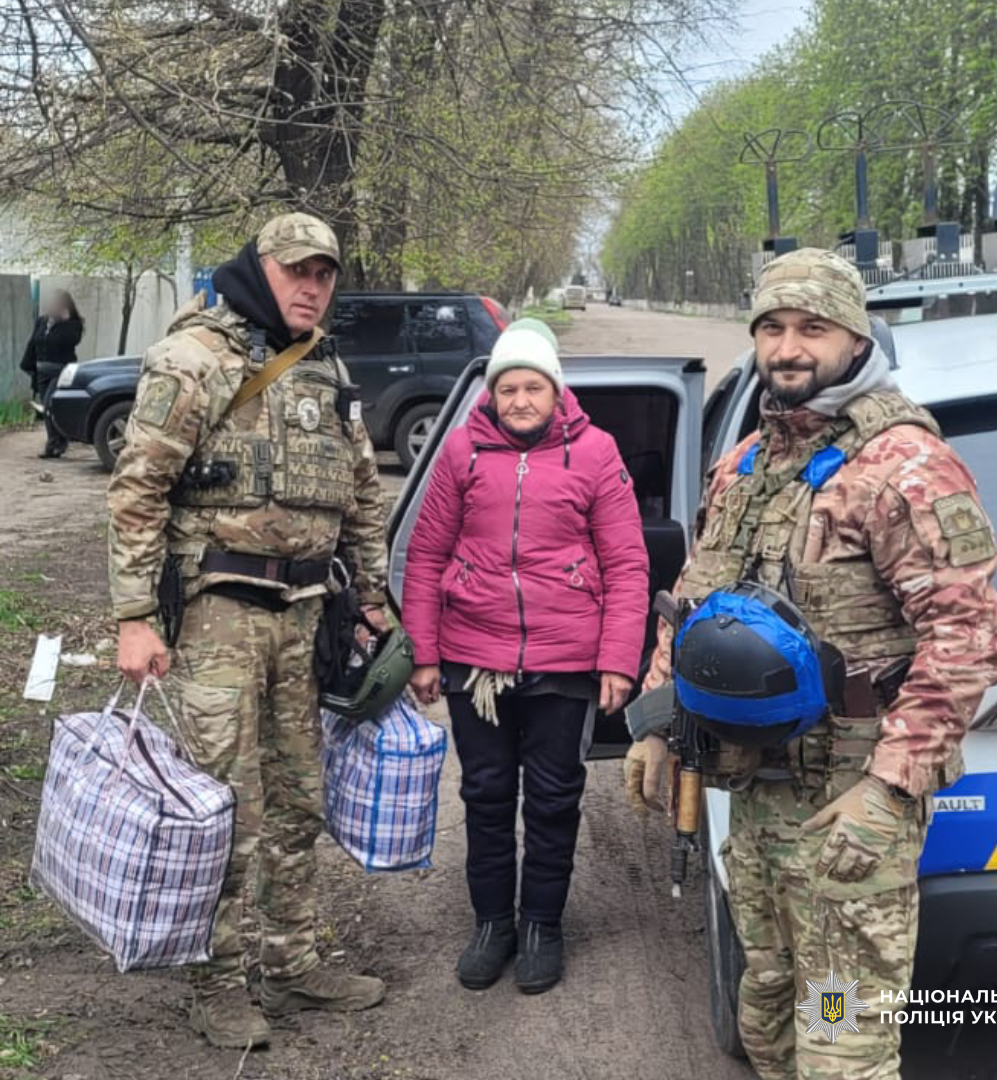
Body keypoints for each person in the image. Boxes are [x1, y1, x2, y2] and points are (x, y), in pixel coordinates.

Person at [625, 248, 997, 1079]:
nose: (788, 347)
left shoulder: (901, 466)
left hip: (848, 808)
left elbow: (968, 636)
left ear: (854, 337)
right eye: (772, 327)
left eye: (812, 328)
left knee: (840, 1040)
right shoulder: (747, 464)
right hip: (755, 796)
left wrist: (889, 788)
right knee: (767, 1013)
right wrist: (656, 723)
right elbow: (692, 601)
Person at [107, 212, 390, 1050]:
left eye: (324, 273)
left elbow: (361, 491)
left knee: (299, 799)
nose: (312, 287)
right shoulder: (192, 359)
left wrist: (374, 597)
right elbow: (138, 490)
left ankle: (292, 959)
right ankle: (218, 981)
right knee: (225, 808)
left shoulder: (327, 367)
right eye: (297, 270)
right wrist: (134, 617)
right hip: (218, 616)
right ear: (258, 268)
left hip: (305, 617)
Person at [403, 320, 649, 994]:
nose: (519, 400)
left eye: (532, 387)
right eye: (507, 388)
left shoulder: (595, 452)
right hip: (473, 659)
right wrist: (424, 652)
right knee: (485, 796)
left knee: (552, 798)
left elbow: (627, 564)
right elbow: (425, 556)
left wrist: (617, 659)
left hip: (565, 662)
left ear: (555, 391)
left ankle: (541, 923)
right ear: (491, 393)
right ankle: (493, 924)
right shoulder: (460, 451)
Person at [20, 289, 84, 458]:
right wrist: (27, 364)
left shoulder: (73, 323)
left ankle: (55, 444)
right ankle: (56, 443)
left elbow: (72, 341)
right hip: (42, 371)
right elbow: (33, 342)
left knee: (50, 405)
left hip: (60, 372)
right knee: (47, 409)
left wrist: (65, 322)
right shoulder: (42, 321)